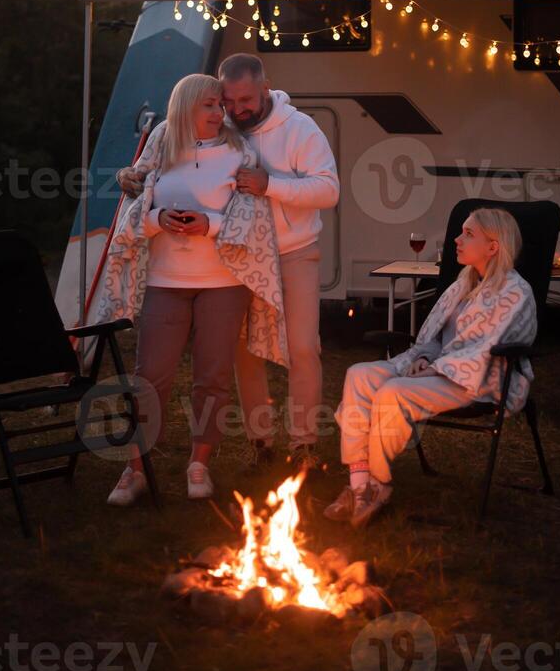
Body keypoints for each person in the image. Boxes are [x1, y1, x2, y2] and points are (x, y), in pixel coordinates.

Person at [117, 53, 340, 469]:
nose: (235, 110)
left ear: (265, 86)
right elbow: (166, 150)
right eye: (228, 101)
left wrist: (270, 185)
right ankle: (261, 442)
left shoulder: (299, 129)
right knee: (243, 348)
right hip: (239, 254)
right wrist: (128, 175)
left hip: (292, 252)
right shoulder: (222, 125)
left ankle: (305, 443)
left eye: (244, 101)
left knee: (304, 346)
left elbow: (328, 190)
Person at [102, 73, 286, 507]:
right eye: (208, 104)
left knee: (213, 376)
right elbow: (136, 203)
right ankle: (135, 467)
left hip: (223, 283)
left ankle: (199, 462)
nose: (219, 112)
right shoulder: (163, 142)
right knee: (152, 374)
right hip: (166, 281)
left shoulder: (239, 149)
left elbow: (253, 216)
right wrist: (157, 219)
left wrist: (212, 225)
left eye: (219, 104)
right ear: (184, 107)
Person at [324, 208, 537, 528]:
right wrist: (424, 359)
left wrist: (437, 369)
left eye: (468, 234)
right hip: (437, 368)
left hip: (477, 381)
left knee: (392, 392)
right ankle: (359, 486)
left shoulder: (514, 293)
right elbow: (435, 337)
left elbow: (484, 351)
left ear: (493, 247)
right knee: (359, 374)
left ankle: (377, 485)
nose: (457, 239)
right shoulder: (462, 285)